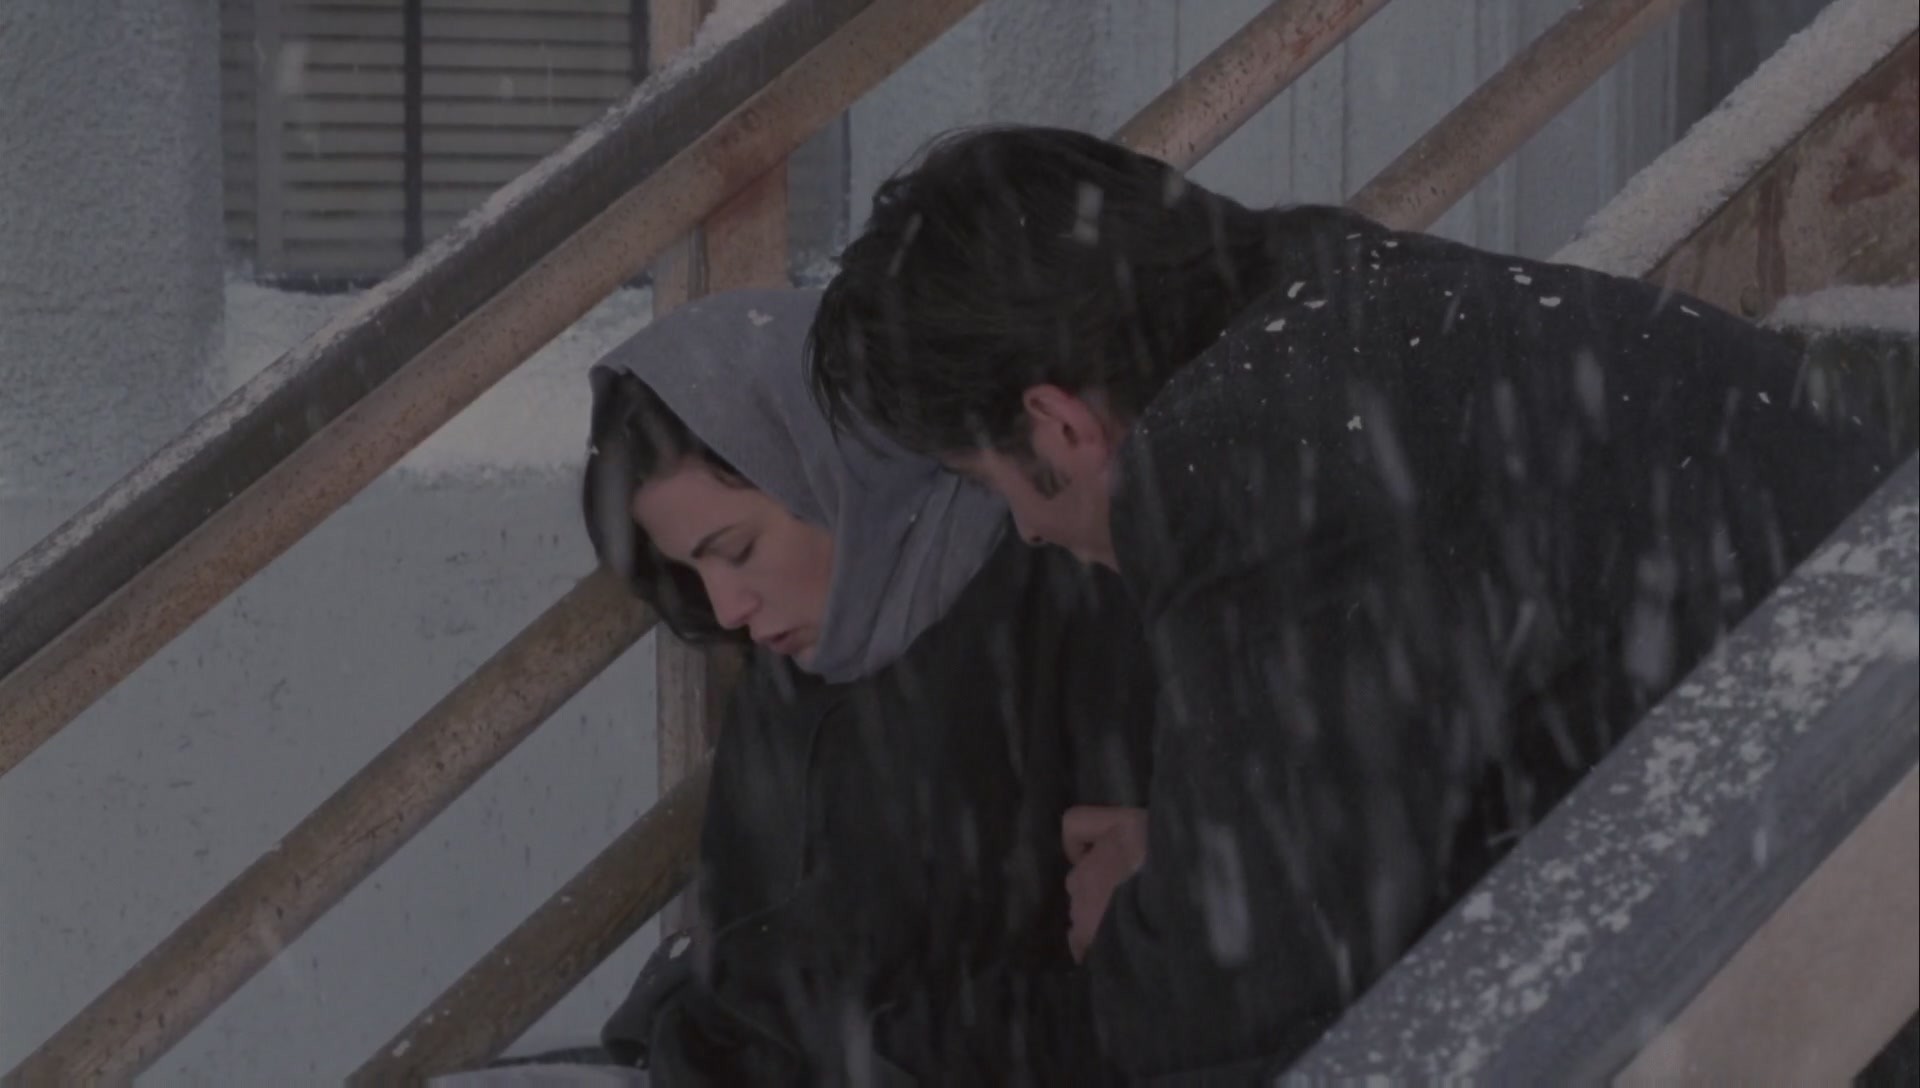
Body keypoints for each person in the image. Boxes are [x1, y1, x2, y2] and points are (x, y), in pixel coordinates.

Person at [804, 125, 1896, 1077]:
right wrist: (1199, 874)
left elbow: (1232, 1007)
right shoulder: (1352, 313)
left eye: (990, 485)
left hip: (1848, 916)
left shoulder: (1252, 454)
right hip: (1834, 814)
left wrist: (1156, 920)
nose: (1030, 531)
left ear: (1058, 425)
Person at [577, 287, 1157, 1084]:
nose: (727, 606)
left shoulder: (1064, 605)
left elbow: (1128, 982)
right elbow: (749, 952)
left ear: (837, 479)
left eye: (738, 550)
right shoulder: (786, 683)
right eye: (689, 571)